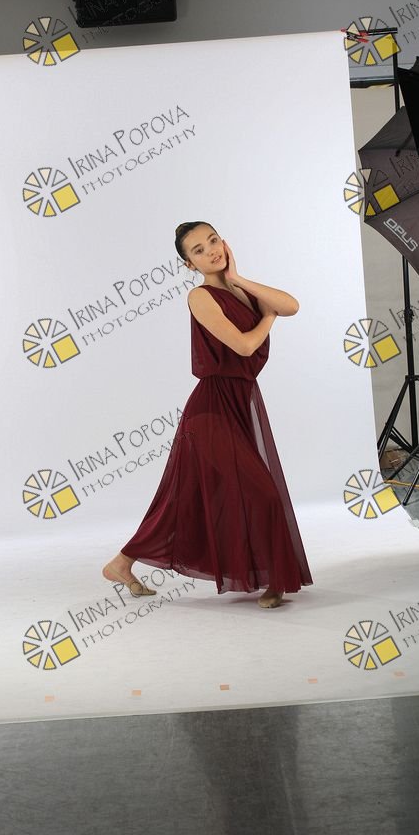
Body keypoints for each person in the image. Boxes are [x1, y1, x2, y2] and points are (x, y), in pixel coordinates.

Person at [102, 221, 313, 609]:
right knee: (263, 494)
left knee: (182, 499)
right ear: (189, 264)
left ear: (224, 242)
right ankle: (274, 578)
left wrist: (239, 279)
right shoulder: (200, 297)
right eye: (198, 250)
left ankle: (121, 563)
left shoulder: (239, 290)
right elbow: (245, 347)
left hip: (241, 402)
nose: (210, 251)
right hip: (211, 409)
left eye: (213, 241)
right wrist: (268, 318)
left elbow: (292, 306)